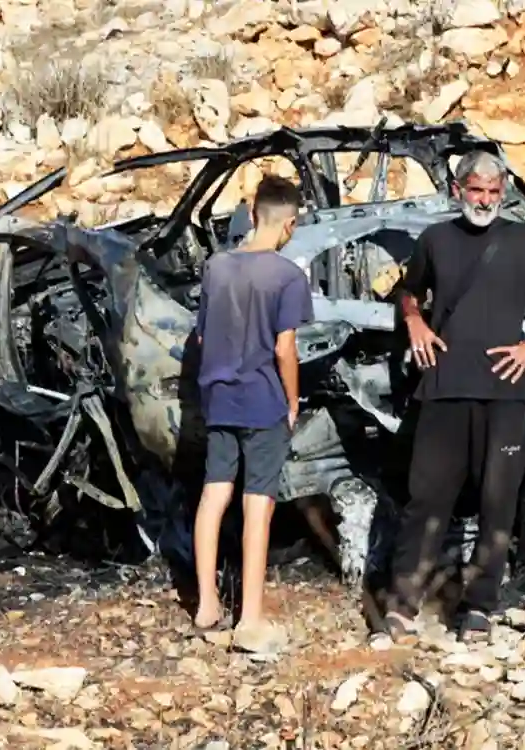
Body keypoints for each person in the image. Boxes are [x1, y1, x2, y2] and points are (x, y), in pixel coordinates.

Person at [387, 150, 525, 639]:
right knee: (426, 501)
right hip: (442, 389)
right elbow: (407, 291)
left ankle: (478, 609)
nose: (484, 200)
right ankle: (401, 607)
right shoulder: (435, 239)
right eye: (475, 190)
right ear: (459, 190)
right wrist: (414, 319)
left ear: (503, 194)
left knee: (497, 503)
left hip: (506, 396)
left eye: (493, 192)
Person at [191, 175, 314, 655]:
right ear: (290, 223)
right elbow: (286, 347)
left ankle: (206, 606)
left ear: (251, 212)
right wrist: (292, 400)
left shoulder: (217, 268)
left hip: (218, 397)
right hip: (262, 401)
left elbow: (201, 338)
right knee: (257, 504)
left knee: (213, 494)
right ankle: (251, 617)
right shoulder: (286, 276)